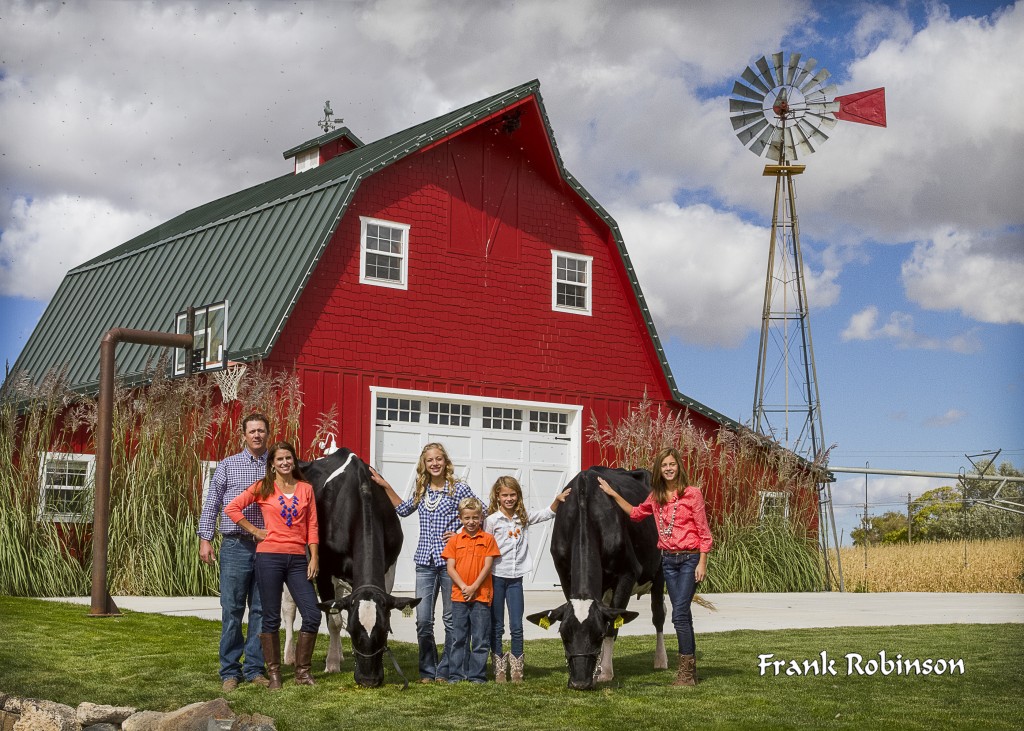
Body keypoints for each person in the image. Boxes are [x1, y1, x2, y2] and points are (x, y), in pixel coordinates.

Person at [598, 447, 713, 686]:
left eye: (672, 464)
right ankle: (689, 670)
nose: (669, 469)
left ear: (679, 467)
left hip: (689, 559)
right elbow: (636, 513)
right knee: (683, 616)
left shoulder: (692, 494)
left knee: (679, 615)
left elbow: (704, 532)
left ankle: (686, 673)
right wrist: (612, 493)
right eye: (664, 466)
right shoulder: (656, 496)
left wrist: (702, 562)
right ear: (659, 470)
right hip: (668, 561)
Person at [371, 442, 481, 682]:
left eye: (439, 459)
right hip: (424, 563)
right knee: (422, 619)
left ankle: (446, 669)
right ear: (424, 463)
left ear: (445, 461)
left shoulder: (458, 488)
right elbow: (403, 509)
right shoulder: (422, 488)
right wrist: (385, 485)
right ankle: (427, 670)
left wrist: (462, 533)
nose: (435, 463)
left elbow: (480, 510)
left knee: (451, 620)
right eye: (430, 460)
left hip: (451, 563)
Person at [225, 441, 321, 689]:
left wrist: (315, 556)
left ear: (294, 460)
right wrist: (255, 530)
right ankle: (275, 674)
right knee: (270, 618)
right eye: (280, 459)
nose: (285, 463)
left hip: (298, 560)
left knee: (312, 613)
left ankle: (302, 672)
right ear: (272, 464)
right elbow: (232, 508)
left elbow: (312, 525)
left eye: (289, 458)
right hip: (269, 558)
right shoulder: (263, 487)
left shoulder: (305, 489)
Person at [198, 412, 271, 692]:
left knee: (262, 610)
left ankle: (254, 669)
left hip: (268, 548)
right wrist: (206, 539)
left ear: (267, 434)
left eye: (261, 431)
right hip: (235, 545)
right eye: (252, 431)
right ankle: (230, 671)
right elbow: (212, 504)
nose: (256, 435)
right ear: (243, 435)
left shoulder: (276, 467)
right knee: (232, 609)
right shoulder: (228, 466)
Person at [484, 476, 570, 682]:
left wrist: (557, 500)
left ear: (518, 496)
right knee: (497, 625)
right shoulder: (492, 520)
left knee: (516, 625)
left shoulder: (522, 517)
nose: (509, 498)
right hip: (496, 576)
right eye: (505, 495)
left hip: (516, 579)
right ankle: (499, 667)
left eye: (513, 494)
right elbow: (481, 542)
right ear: (498, 496)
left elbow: (546, 514)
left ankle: (516, 667)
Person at [440, 497, 501, 683]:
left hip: (481, 596)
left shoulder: (488, 539)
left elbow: (487, 566)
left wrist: (474, 587)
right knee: (458, 638)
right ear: (460, 519)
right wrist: (464, 587)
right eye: (467, 518)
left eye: (475, 517)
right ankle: (456, 674)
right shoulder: (455, 541)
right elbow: (450, 568)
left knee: (481, 639)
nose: (471, 522)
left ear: (481, 518)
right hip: (459, 596)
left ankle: (477, 675)